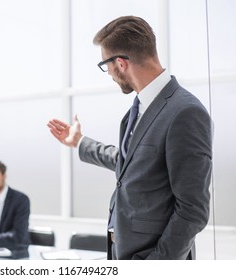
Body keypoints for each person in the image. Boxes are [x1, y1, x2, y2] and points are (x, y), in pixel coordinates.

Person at [47, 16, 212, 260]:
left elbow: (193, 210)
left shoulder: (185, 112)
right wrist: (80, 141)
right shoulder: (139, 108)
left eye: (106, 66)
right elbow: (132, 163)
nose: (110, 74)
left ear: (121, 63)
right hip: (122, 253)